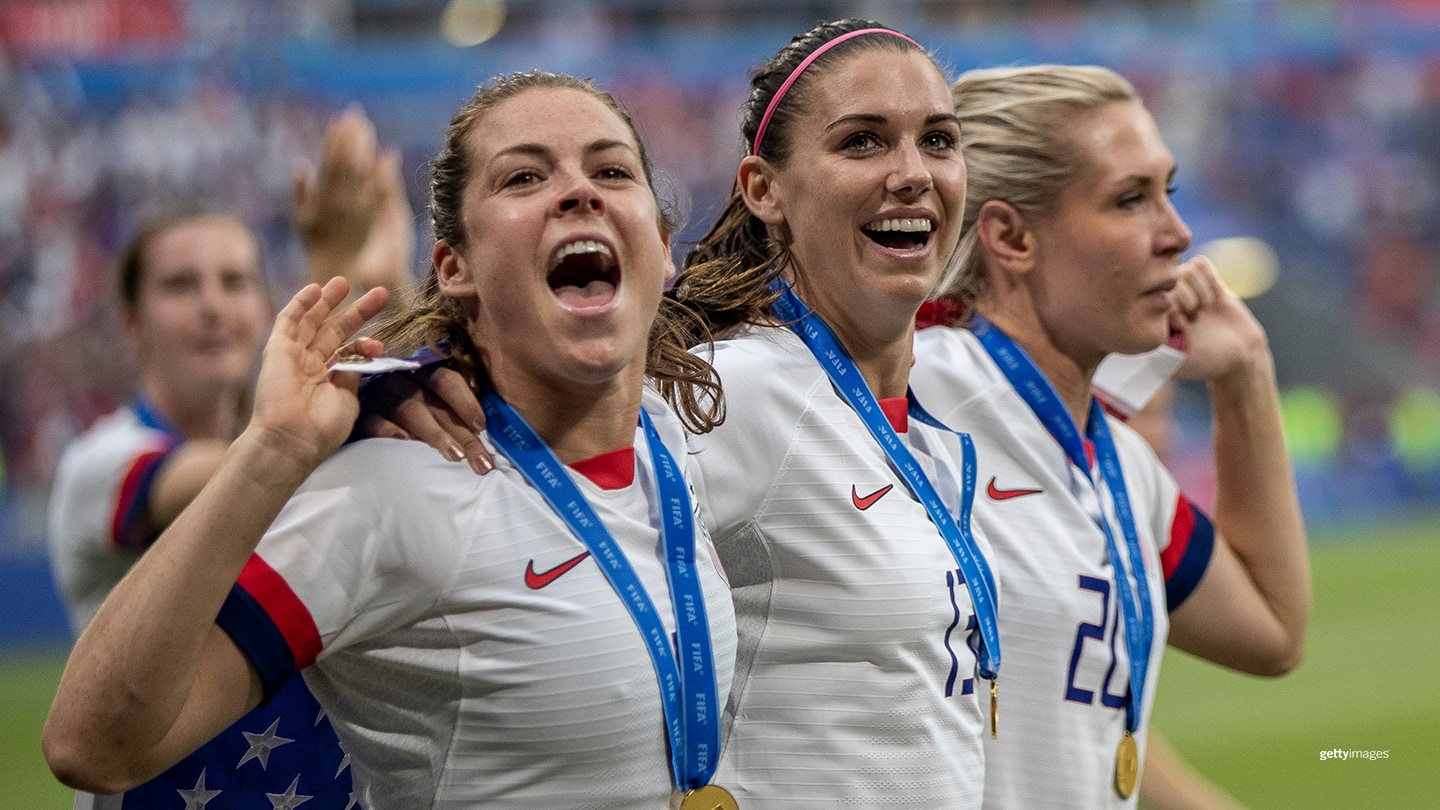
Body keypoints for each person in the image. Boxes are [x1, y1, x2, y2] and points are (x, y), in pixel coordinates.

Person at [44, 71, 741, 808]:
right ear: (454, 267)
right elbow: (91, 746)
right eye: (524, 177)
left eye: (610, 170)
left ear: (664, 250)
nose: (579, 191)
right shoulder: (392, 488)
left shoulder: (676, 440)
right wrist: (278, 447)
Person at [365, 20, 1001, 807]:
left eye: (938, 141)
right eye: (863, 142)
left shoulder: (913, 416)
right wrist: (416, 384)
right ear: (763, 189)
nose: (912, 173)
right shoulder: (743, 391)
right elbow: (550, 458)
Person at [910, 64, 1309, 807]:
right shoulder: (908, 406)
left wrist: (1246, 373)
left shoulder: (1116, 461)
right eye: (1131, 199)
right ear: (1010, 236)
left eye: (1169, 191)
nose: (1179, 234)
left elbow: (1273, 633)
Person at [44, 107, 413, 809]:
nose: (213, 306)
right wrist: (353, 279)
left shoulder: (292, 441)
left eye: (236, 282)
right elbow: (237, 475)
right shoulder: (104, 461)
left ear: (264, 307)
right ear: (131, 320)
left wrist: (361, 282)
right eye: (181, 286)